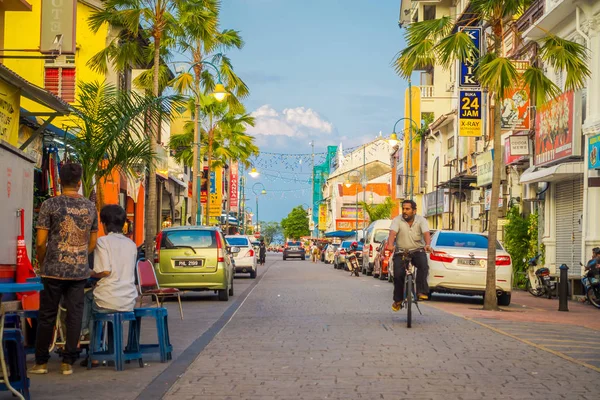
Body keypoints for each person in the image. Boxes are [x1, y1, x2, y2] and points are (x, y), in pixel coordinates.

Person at [31, 163, 98, 375]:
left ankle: (41, 363)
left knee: (47, 315)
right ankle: (67, 362)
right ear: (79, 183)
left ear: (59, 181)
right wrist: (78, 254)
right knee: (74, 315)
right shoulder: (90, 207)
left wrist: (43, 262)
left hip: (53, 269)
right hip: (78, 272)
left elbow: (41, 242)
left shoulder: (50, 205)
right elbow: (93, 242)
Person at [80, 204, 138, 367]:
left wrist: (90, 273)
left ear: (104, 224)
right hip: (128, 300)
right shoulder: (131, 244)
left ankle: (92, 347)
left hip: (108, 298)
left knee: (88, 299)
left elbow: (104, 271)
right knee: (104, 305)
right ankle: (113, 350)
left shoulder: (102, 242)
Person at [386, 199, 432, 312]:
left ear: (414, 211)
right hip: (401, 251)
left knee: (423, 266)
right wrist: (390, 245)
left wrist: (427, 245)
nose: (405, 211)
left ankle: (421, 291)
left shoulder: (421, 220)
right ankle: (398, 300)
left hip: (417, 250)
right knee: (397, 275)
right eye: (403, 209)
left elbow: (426, 233)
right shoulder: (397, 220)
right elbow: (392, 233)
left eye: (408, 209)